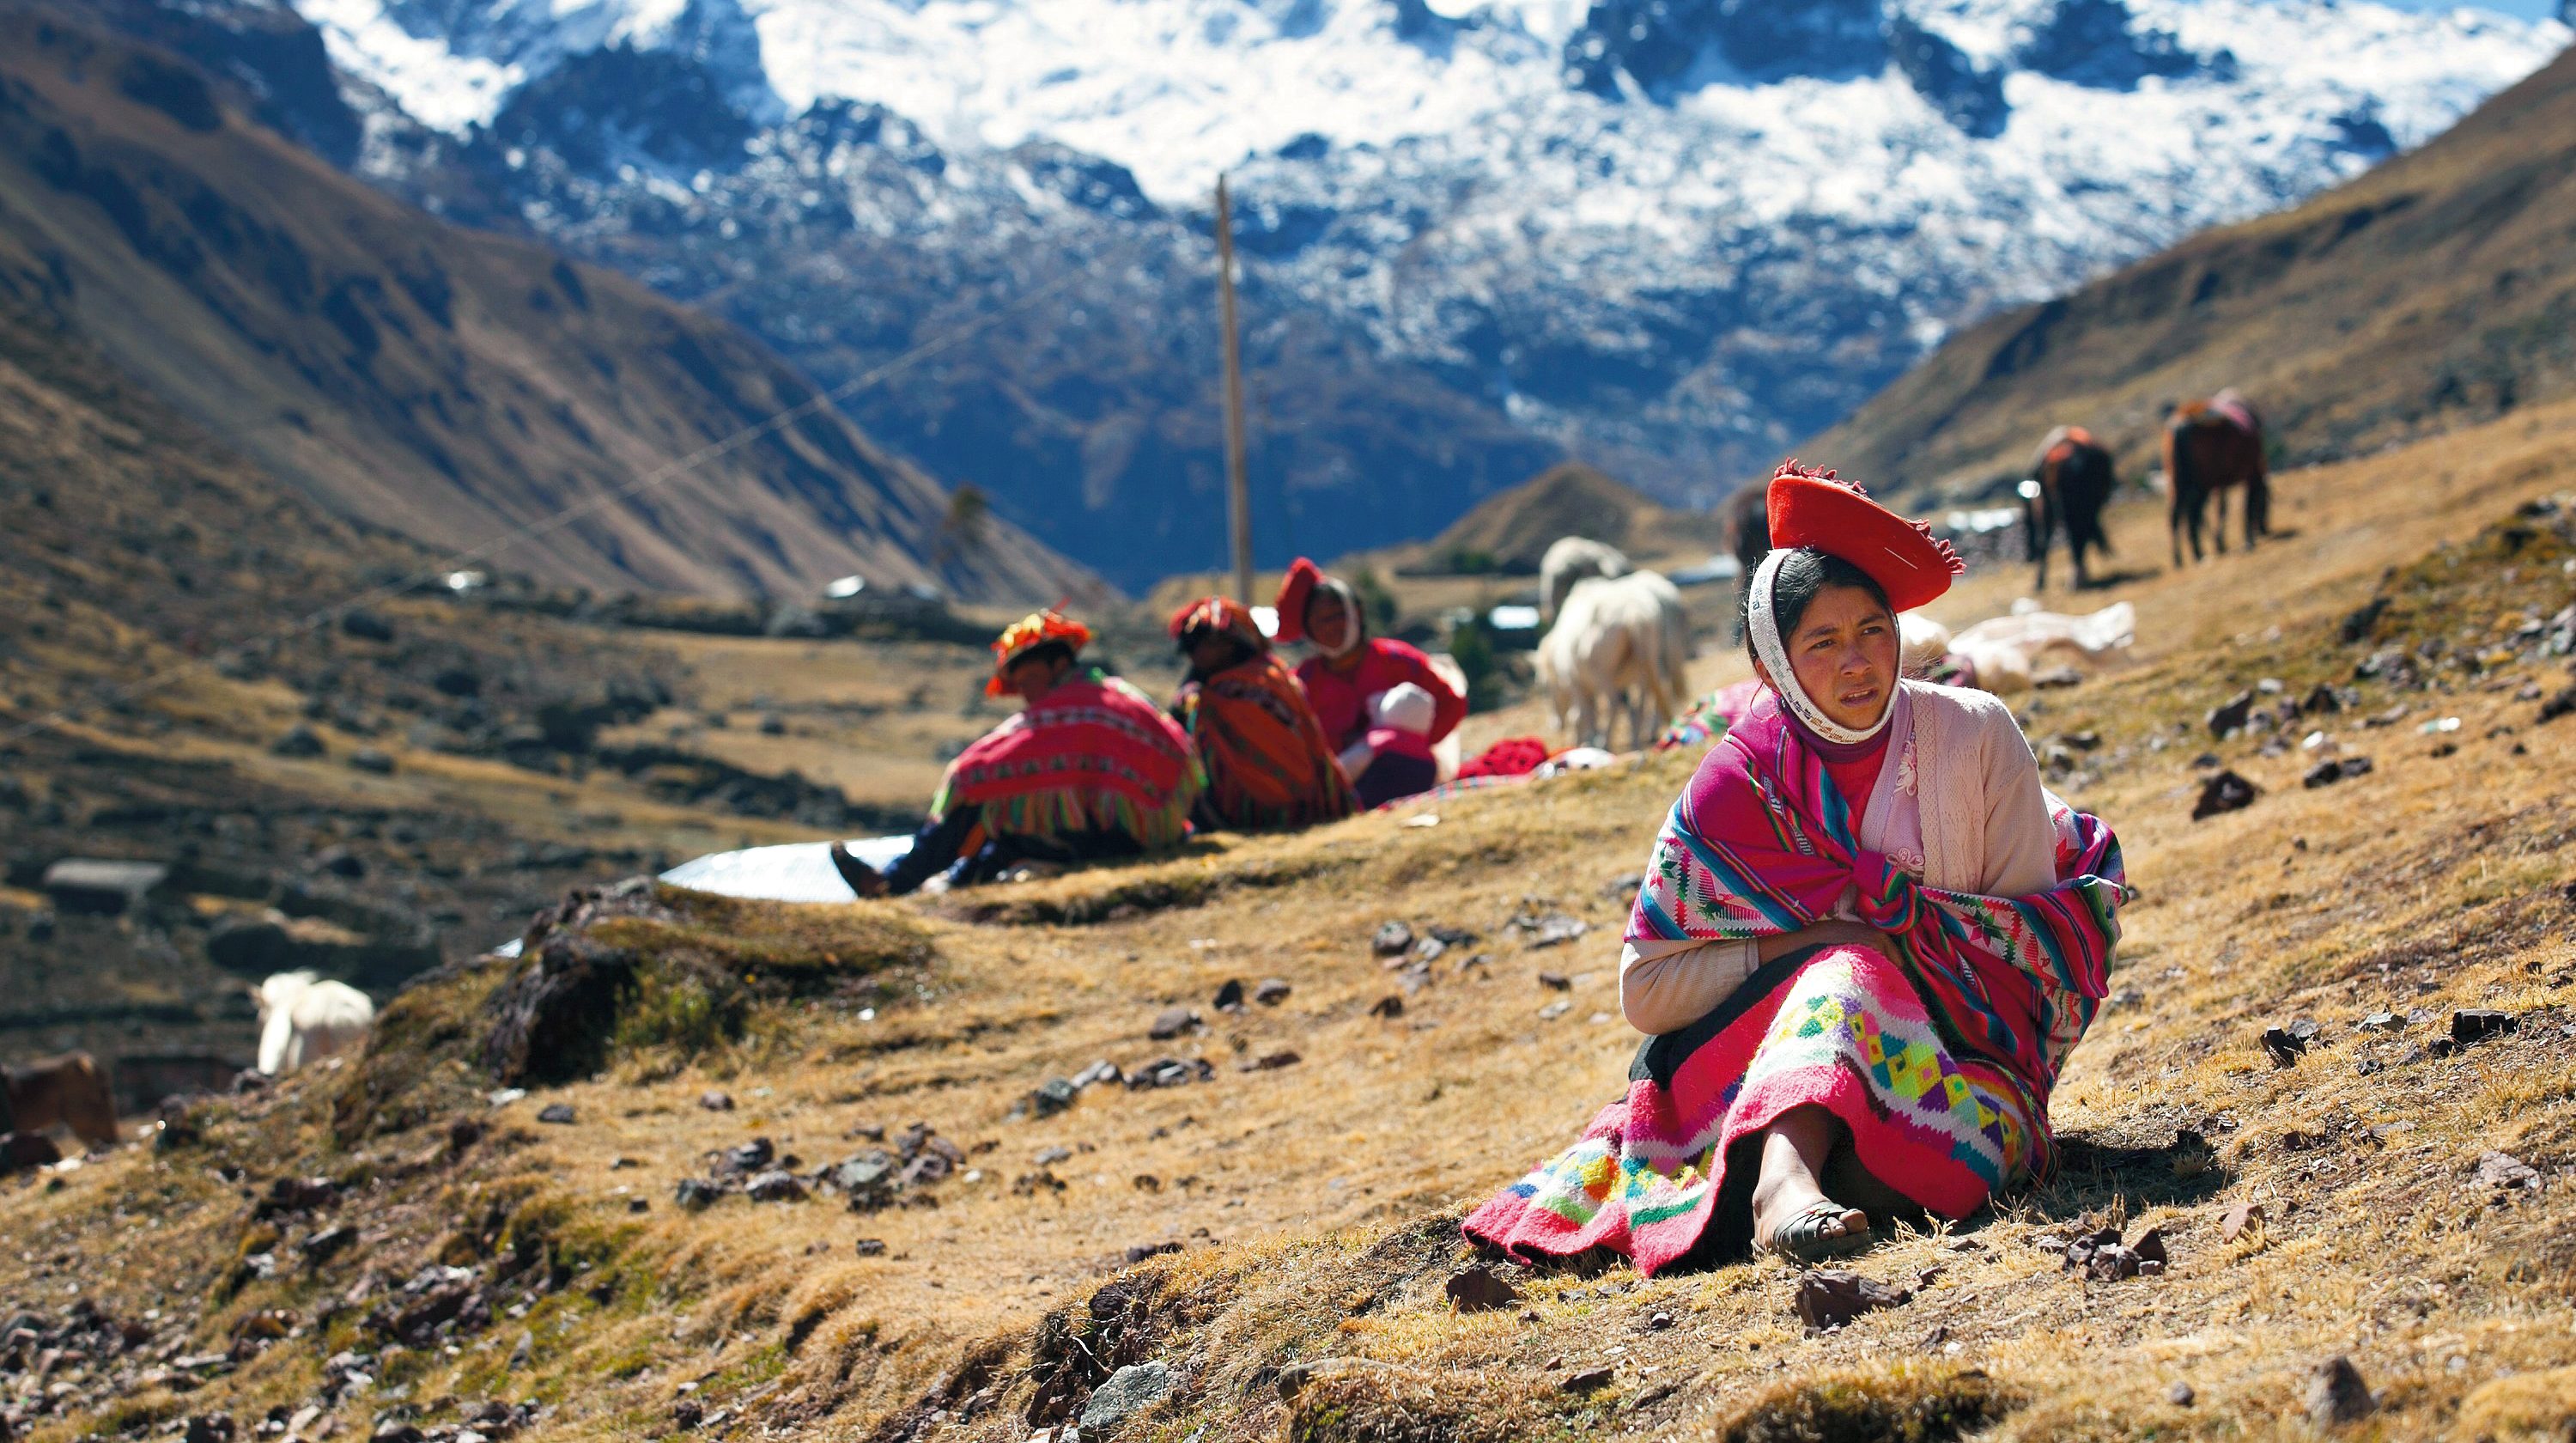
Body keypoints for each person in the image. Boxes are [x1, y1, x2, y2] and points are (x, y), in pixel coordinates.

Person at [1463, 461, 2130, 1274]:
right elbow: (1648, 990)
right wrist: (1820, 946)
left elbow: (2022, 956)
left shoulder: (1975, 736)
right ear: (1770, 665)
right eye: (1823, 642)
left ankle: (1789, 1175)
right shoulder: (1738, 785)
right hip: (1753, 1077)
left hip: (1965, 1079)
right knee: (1847, 967)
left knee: (1895, 1071)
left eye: (1873, 631)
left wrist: (1906, 977)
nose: (1858, 663)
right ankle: (1780, 1185)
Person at [830, 610, 1201, 897]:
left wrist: (968, 777)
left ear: (1059, 665)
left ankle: (896, 881)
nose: (1025, 693)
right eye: (1019, 685)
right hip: (1156, 829)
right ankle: (913, 882)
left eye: (1029, 680)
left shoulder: (1070, 712)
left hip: (1125, 838)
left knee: (985, 796)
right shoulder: (1117, 695)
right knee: (1006, 839)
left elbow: (975, 771)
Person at [1272, 557, 1465, 808]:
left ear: (1357, 613)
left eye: (1338, 615)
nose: (1333, 626)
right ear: (1308, 628)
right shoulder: (1302, 684)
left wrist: (1407, 743)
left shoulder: (1399, 661)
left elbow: (1451, 705)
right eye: (1322, 620)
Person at [1167, 596, 1359, 831]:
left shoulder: (1223, 695)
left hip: (1264, 811)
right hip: (1312, 804)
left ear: (1228, 645)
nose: (1195, 655)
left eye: (1203, 645)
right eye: (1191, 648)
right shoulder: (1275, 676)